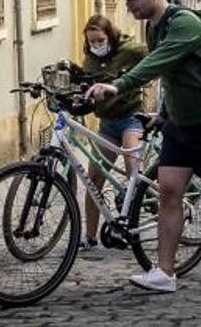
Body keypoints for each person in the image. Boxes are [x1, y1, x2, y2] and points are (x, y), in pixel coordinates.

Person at [85, 0, 201, 292]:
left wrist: (120, 84)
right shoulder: (153, 28)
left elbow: (159, 63)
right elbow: (173, 76)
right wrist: (165, 113)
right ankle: (164, 271)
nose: (130, 6)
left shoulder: (185, 23)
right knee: (169, 193)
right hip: (180, 125)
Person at [74, 15, 147, 259]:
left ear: (110, 36)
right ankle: (90, 237)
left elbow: (155, 59)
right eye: (92, 42)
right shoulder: (90, 61)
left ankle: (149, 213)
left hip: (131, 118)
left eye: (100, 40)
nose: (96, 46)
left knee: (133, 169)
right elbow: (84, 84)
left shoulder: (130, 50)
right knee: (93, 179)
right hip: (107, 124)